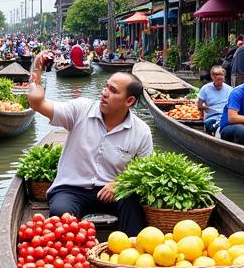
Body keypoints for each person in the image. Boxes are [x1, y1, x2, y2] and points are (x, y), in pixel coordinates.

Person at [26, 52, 152, 233]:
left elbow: (144, 171)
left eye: (113, 91)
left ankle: (128, 254)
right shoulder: (80, 109)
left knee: (133, 207)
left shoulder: (141, 131)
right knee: (61, 214)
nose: (105, 93)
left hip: (112, 191)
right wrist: (37, 72)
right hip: (71, 189)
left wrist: (119, 183)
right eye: (106, 87)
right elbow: (38, 103)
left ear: (129, 100)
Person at [196, 66, 231, 134]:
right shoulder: (205, 88)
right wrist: (207, 108)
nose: (219, 77)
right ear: (212, 77)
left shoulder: (230, 89)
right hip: (212, 117)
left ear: (224, 77)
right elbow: (199, 106)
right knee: (214, 125)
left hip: (225, 117)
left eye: (221, 75)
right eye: (216, 75)